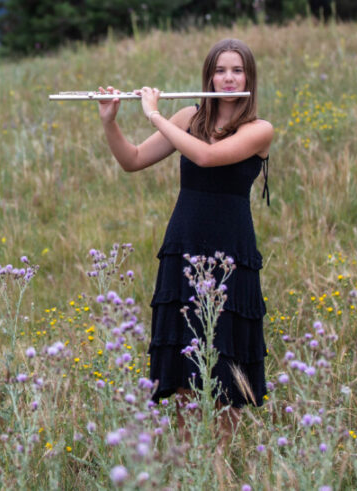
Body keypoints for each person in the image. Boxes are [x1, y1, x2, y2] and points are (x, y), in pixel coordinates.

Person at [97, 38, 272, 436]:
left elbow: (207, 156)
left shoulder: (259, 130)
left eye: (237, 70)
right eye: (221, 70)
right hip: (184, 247)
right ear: (208, 75)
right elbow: (133, 160)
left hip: (231, 255)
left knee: (225, 374)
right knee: (182, 366)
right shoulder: (187, 117)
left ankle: (219, 471)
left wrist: (155, 115)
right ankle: (186, 465)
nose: (228, 78)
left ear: (249, 77)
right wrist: (111, 120)